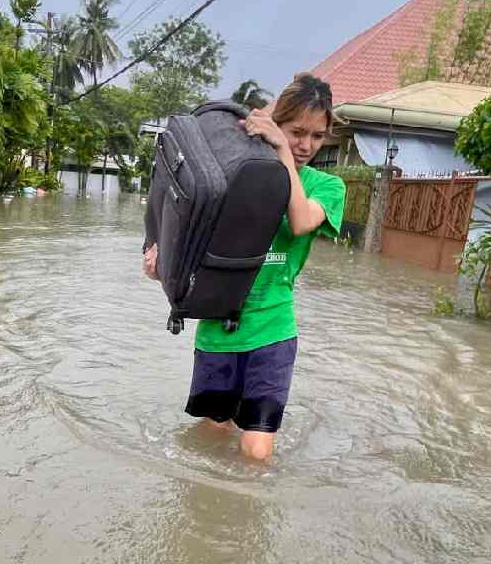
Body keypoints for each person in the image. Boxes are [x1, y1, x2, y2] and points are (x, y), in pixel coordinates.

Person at [143, 73, 346, 461]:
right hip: (219, 328)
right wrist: (158, 262)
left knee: (256, 452)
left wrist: (281, 153)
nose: (306, 145)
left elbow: (301, 221)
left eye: (317, 136)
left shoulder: (327, 187)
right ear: (277, 124)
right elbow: (191, 232)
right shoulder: (238, 174)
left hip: (273, 330)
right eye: (296, 132)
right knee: (211, 437)